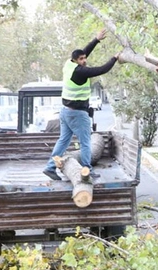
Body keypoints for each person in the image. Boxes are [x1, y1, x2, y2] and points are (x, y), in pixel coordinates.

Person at [43, 29, 120, 181]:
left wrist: (96, 40)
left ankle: (50, 167)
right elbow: (102, 69)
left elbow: (84, 52)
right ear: (76, 60)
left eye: (85, 58)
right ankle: (87, 170)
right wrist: (114, 58)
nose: (84, 60)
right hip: (77, 113)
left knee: (63, 141)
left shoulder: (69, 64)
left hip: (65, 112)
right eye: (82, 59)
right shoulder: (80, 72)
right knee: (86, 143)